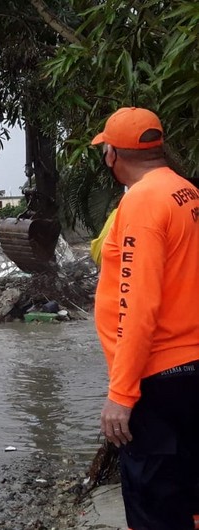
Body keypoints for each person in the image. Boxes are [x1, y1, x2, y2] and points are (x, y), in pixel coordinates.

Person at [92, 107, 199, 529]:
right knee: (188, 495)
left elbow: (138, 303)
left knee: (155, 506)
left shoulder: (142, 201)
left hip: (159, 379)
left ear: (112, 154)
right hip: (190, 369)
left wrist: (121, 393)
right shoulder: (186, 192)